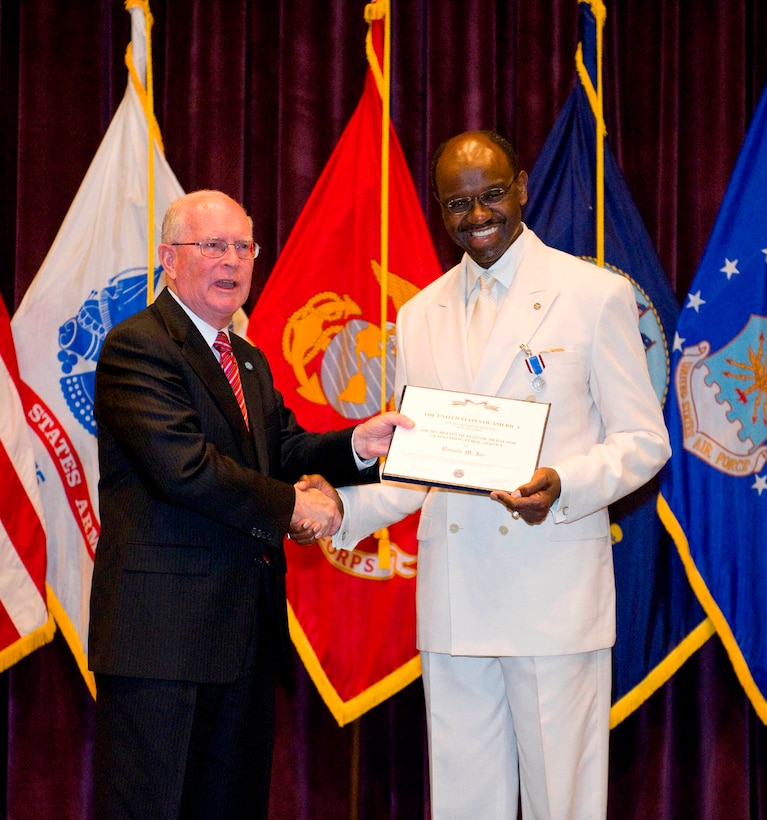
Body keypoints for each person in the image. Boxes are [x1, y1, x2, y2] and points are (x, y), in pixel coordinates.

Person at [314, 131, 671, 818]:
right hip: (456, 601)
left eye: (491, 195)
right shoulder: (418, 314)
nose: (477, 215)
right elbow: (424, 462)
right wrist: (342, 510)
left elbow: (642, 440)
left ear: (524, 187)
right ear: (439, 210)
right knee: (463, 805)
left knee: (560, 804)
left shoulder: (592, 294)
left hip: (553, 595)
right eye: (457, 203)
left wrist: (564, 482)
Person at [89, 189, 411, 819]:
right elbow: (185, 470)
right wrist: (294, 508)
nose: (231, 261)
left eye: (243, 247)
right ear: (168, 258)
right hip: (161, 641)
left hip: (242, 636)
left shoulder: (250, 360)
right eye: (212, 246)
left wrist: (359, 444)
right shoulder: (140, 345)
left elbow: (282, 447)